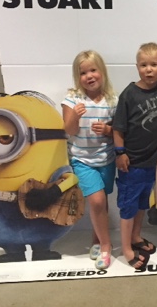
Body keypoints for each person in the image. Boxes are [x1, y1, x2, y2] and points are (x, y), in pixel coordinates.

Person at [113, 42, 157, 270]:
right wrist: (120, 153)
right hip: (132, 163)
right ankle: (126, 249)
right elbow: (118, 128)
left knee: (143, 202)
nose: (149, 69)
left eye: (154, 65)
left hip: (152, 162)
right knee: (129, 207)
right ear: (137, 67)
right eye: (144, 65)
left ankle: (136, 236)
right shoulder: (129, 94)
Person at [62, 50, 117, 269]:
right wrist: (75, 116)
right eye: (83, 73)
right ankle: (106, 246)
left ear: (102, 71)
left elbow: (119, 131)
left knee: (102, 202)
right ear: (77, 77)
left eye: (93, 70)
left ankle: (96, 239)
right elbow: (68, 131)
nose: (89, 76)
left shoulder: (112, 100)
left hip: (107, 158)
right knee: (96, 201)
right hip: (82, 160)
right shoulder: (72, 99)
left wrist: (108, 130)